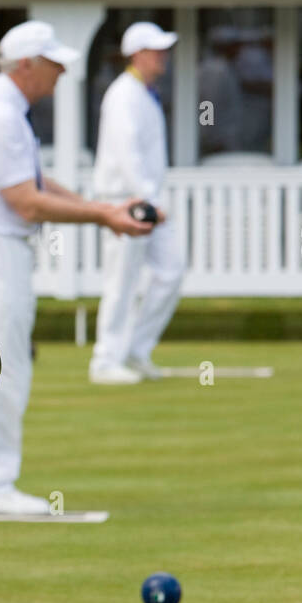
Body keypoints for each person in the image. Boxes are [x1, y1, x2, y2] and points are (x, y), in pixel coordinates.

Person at [0, 19, 153, 515]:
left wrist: (105, 210)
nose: (60, 73)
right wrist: (104, 214)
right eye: (54, 64)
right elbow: (27, 203)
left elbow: (34, 180)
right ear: (28, 66)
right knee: (0, 363)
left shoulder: (5, 106)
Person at [90, 21, 184, 384]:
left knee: (170, 271)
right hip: (125, 201)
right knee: (121, 282)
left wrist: (152, 199)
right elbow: (126, 152)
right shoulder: (123, 95)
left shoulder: (144, 93)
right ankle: (104, 361)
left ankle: (135, 350)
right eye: (156, 50)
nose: (163, 56)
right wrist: (147, 198)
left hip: (147, 201)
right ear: (138, 54)